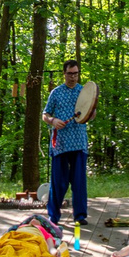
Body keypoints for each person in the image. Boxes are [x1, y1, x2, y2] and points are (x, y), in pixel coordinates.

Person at [42, 58, 93, 230]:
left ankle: (79, 216)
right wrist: (53, 120)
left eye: (76, 73)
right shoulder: (56, 93)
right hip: (61, 144)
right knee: (58, 182)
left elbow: (90, 114)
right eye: (70, 74)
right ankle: (53, 216)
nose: (73, 77)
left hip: (79, 143)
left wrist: (90, 114)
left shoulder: (84, 92)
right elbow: (45, 114)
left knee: (79, 181)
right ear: (64, 74)